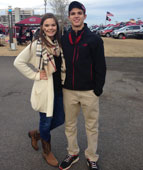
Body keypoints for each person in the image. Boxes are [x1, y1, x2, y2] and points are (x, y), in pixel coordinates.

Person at [13, 13, 66, 167]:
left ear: (57, 26)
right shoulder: (37, 44)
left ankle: (36, 134)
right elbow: (18, 62)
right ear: (42, 27)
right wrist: (35, 75)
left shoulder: (59, 44)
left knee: (60, 119)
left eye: (53, 25)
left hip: (59, 89)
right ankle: (47, 151)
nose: (50, 28)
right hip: (44, 90)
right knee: (46, 121)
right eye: (47, 25)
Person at [59, 1, 106, 170]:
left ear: (84, 16)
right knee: (70, 125)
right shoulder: (64, 39)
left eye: (79, 13)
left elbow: (101, 65)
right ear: (69, 17)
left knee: (91, 126)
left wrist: (98, 89)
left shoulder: (94, 39)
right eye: (73, 13)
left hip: (89, 91)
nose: (76, 16)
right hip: (69, 91)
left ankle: (92, 156)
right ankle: (72, 153)